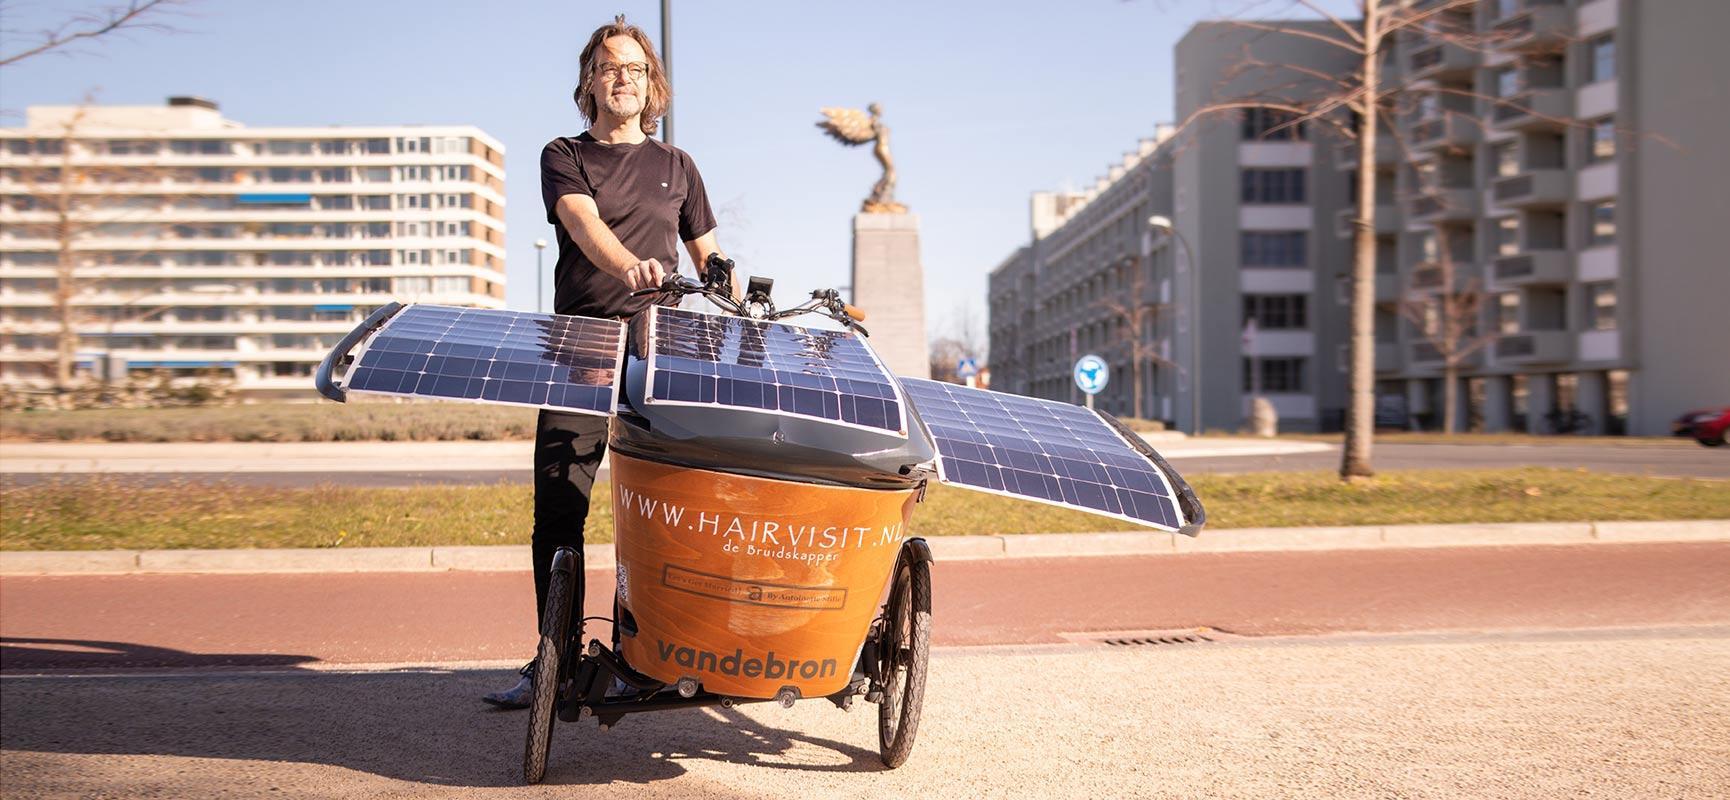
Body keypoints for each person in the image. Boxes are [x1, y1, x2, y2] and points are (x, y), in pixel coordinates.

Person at [485, 14, 722, 708]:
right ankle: (552, 663)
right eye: (611, 66)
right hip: (580, 345)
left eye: (637, 69)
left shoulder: (678, 166)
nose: (625, 77)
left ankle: (646, 656)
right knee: (559, 510)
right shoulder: (565, 153)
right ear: (589, 80)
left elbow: (710, 253)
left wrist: (730, 284)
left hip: (661, 350)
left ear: (654, 86)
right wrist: (631, 268)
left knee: (663, 512)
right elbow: (585, 227)